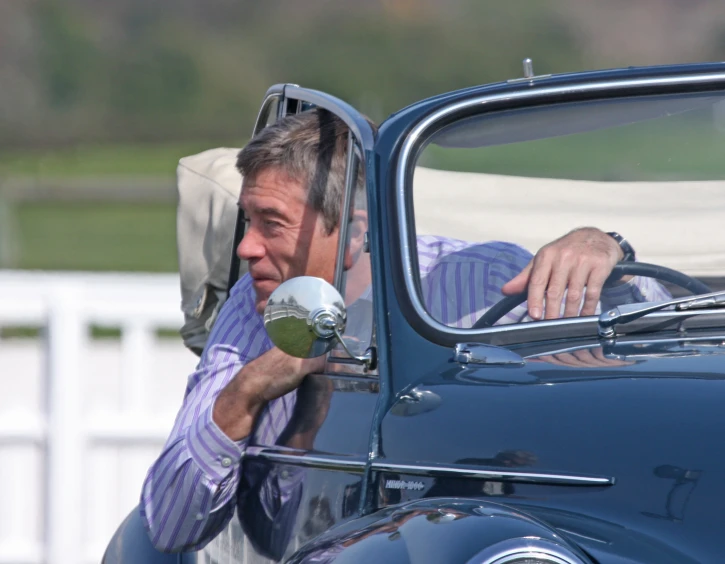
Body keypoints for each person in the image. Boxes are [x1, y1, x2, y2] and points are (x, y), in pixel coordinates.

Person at [140, 109, 670, 553]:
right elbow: (169, 526)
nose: (246, 248)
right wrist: (248, 389)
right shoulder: (253, 306)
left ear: (355, 231)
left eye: (270, 223)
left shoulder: (486, 279)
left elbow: (659, 354)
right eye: (246, 221)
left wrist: (604, 250)